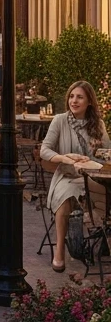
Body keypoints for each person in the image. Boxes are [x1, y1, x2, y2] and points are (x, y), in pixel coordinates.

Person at [41, 80, 111, 272]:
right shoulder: (60, 120)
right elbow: (44, 150)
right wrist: (65, 158)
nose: (74, 101)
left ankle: (101, 239)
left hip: (92, 176)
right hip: (67, 176)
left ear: (89, 101)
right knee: (66, 196)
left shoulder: (98, 124)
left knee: (106, 197)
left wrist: (95, 158)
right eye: (71, 96)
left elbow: (106, 153)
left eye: (79, 97)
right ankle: (60, 251)